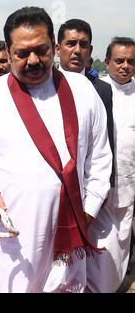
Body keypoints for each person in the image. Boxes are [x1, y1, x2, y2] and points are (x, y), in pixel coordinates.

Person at [0, 6, 112, 293]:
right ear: (10, 51)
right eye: (22, 53)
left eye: (41, 50)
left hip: (72, 232)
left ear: (53, 46)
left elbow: (100, 159)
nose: (33, 60)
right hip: (16, 236)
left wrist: (86, 213)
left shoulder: (82, 90)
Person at [87, 37, 135, 293]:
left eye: (131, 61)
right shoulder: (97, 91)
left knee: (123, 242)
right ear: (107, 62)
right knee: (102, 246)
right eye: (119, 60)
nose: (125, 66)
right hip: (101, 187)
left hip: (129, 184)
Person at [56, 18, 115, 187]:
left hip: (88, 184)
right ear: (58, 49)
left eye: (83, 45)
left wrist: (105, 185)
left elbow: (106, 141)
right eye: (71, 44)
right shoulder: (43, 85)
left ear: (90, 51)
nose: (77, 50)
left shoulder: (102, 89)